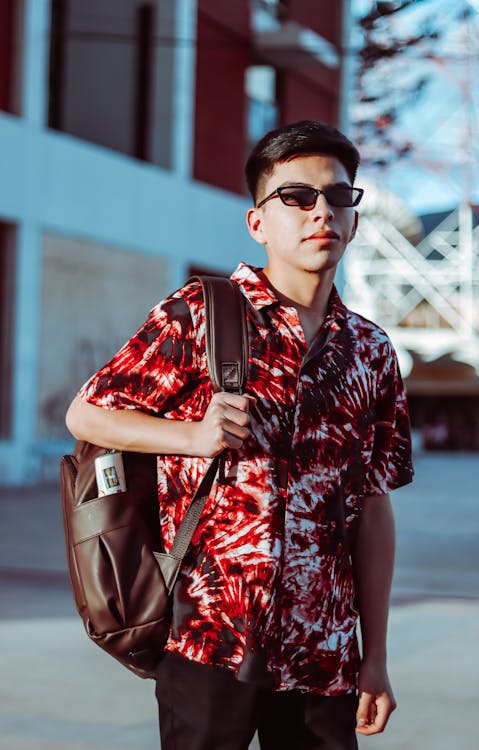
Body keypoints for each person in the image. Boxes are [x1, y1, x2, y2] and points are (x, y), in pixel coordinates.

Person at [66, 119, 413, 750]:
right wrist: (193, 436)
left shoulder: (371, 351)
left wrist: (376, 654)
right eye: (297, 198)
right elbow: (86, 414)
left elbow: (374, 506)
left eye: (338, 197)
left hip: (322, 650)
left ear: (355, 220)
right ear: (258, 223)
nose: (321, 213)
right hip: (207, 633)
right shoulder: (200, 311)